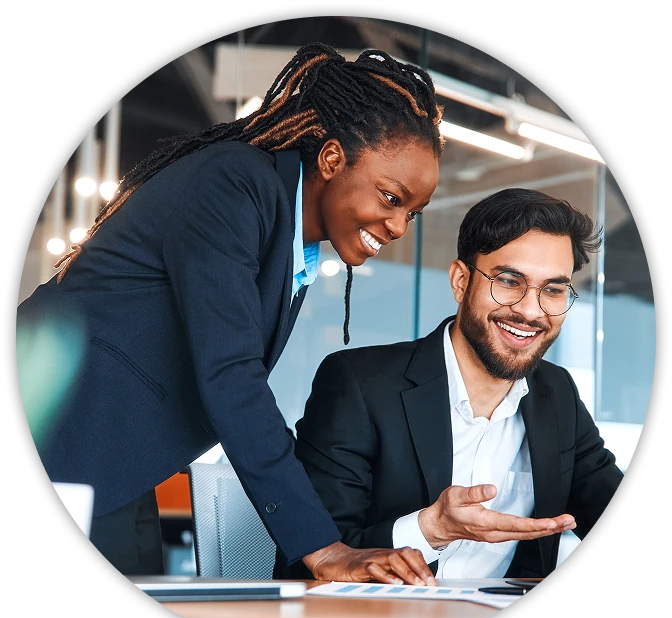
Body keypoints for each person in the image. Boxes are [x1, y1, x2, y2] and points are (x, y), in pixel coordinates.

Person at [15, 42, 445, 585]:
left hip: (123, 466)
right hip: (57, 437)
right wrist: (324, 547)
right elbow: (231, 376)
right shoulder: (233, 185)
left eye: (413, 212)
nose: (399, 226)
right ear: (333, 159)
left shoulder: (291, 239)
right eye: (390, 197)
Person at [274, 188, 624, 581]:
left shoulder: (555, 393)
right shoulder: (359, 383)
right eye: (509, 281)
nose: (530, 310)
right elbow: (308, 556)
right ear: (461, 281)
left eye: (554, 290)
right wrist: (430, 528)